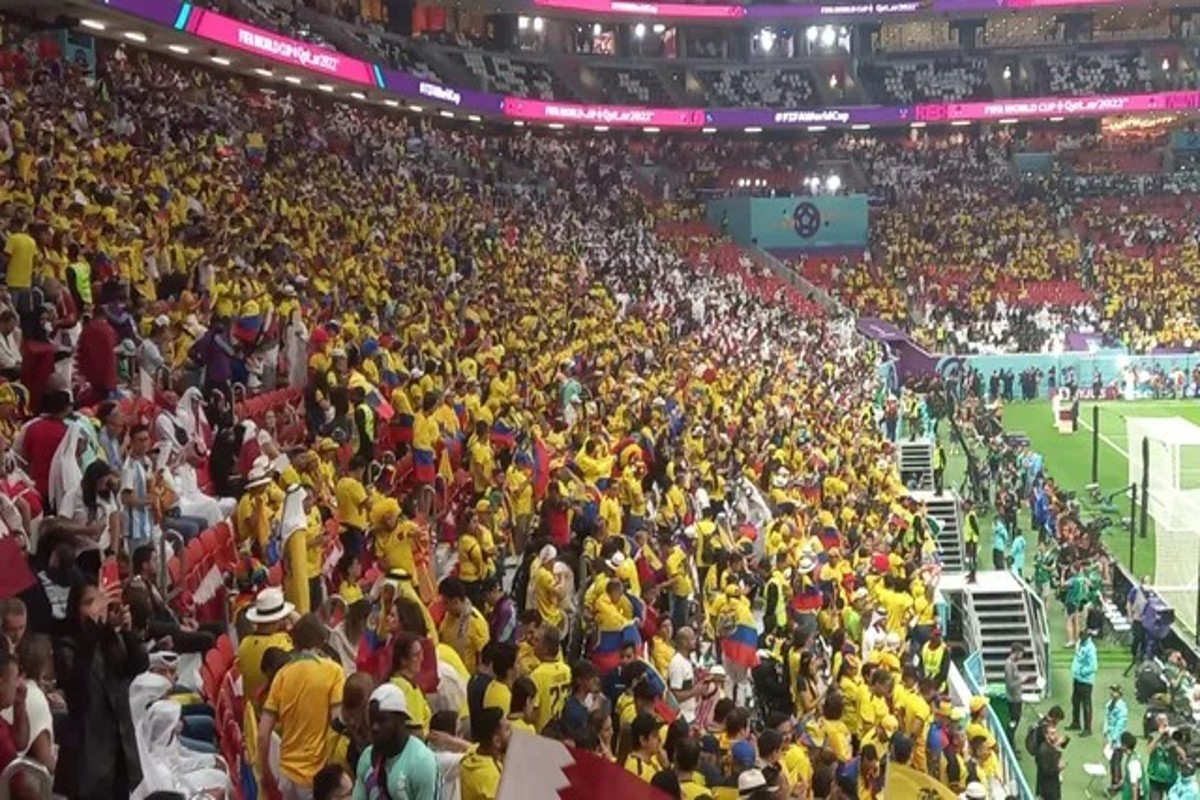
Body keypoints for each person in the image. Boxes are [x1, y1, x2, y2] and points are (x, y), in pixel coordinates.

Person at [54, 576, 149, 799]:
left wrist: (127, 631)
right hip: (87, 754)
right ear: (75, 608)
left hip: (119, 749)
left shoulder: (110, 640)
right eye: (88, 603)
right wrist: (93, 627)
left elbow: (138, 665)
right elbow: (79, 685)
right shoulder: (65, 647)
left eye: (99, 602)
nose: (96, 608)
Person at [259, 613, 347, 800]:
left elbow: (262, 734)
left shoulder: (282, 675)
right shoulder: (334, 672)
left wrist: (265, 772)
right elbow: (337, 723)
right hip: (317, 777)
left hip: (286, 776)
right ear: (321, 640)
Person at [352, 683, 439, 800]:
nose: (375, 727)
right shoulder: (367, 758)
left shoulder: (421, 762)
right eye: (372, 720)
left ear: (401, 720)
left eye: (382, 720)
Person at [238, 587, 295, 703]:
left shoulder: (244, 644)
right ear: (280, 619)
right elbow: (311, 637)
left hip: (252, 713)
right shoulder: (282, 645)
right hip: (276, 712)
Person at [439, 577, 491, 674]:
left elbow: (484, 657)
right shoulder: (449, 615)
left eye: (446, 603)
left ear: (455, 601)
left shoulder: (475, 622)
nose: (444, 607)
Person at [528, 626, 572, 733]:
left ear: (545, 649)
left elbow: (533, 713)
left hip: (544, 734)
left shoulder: (537, 675)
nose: (533, 643)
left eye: (537, 640)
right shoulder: (567, 670)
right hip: (563, 732)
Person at [461, 706, 510, 800]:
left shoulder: (473, 753)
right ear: (497, 741)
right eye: (507, 729)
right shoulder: (490, 778)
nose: (512, 734)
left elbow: (471, 746)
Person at [668, 626, 701, 725]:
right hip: (682, 717)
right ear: (683, 642)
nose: (695, 641)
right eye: (692, 639)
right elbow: (675, 695)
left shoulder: (687, 659)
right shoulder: (677, 662)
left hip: (691, 714)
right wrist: (695, 691)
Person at [1069, 629, 1097, 737]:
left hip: (1086, 681)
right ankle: (1076, 722)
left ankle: (1087, 728)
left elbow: (1093, 667)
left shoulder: (1091, 649)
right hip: (1077, 678)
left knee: (1086, 704)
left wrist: (1082, 671)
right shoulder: (1080, 644)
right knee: (1075, 701)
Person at [1107, 685, 1130, 790]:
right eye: (1111, 691)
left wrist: (1114, 738)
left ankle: (1116, 783)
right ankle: (1117, 782)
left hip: (1118, 740)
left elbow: (1120, 725)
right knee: (1113, 761)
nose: (1112, 693)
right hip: (1111, 737)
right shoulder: (1110, 704)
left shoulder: (1122, 708)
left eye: (1114, 691)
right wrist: (1106, 731)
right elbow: (1107, 718)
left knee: (1116, 762)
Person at [1035, 724, 1065, 800]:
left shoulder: (1051, 746)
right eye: (1052, 733)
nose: (1055, 736)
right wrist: (1059, 768)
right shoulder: (1044, 750)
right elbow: (1046, 771)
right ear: (1046, 735)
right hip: (1047, 789)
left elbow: (1063, 743)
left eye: (1055, 733)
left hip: (1053, 785)